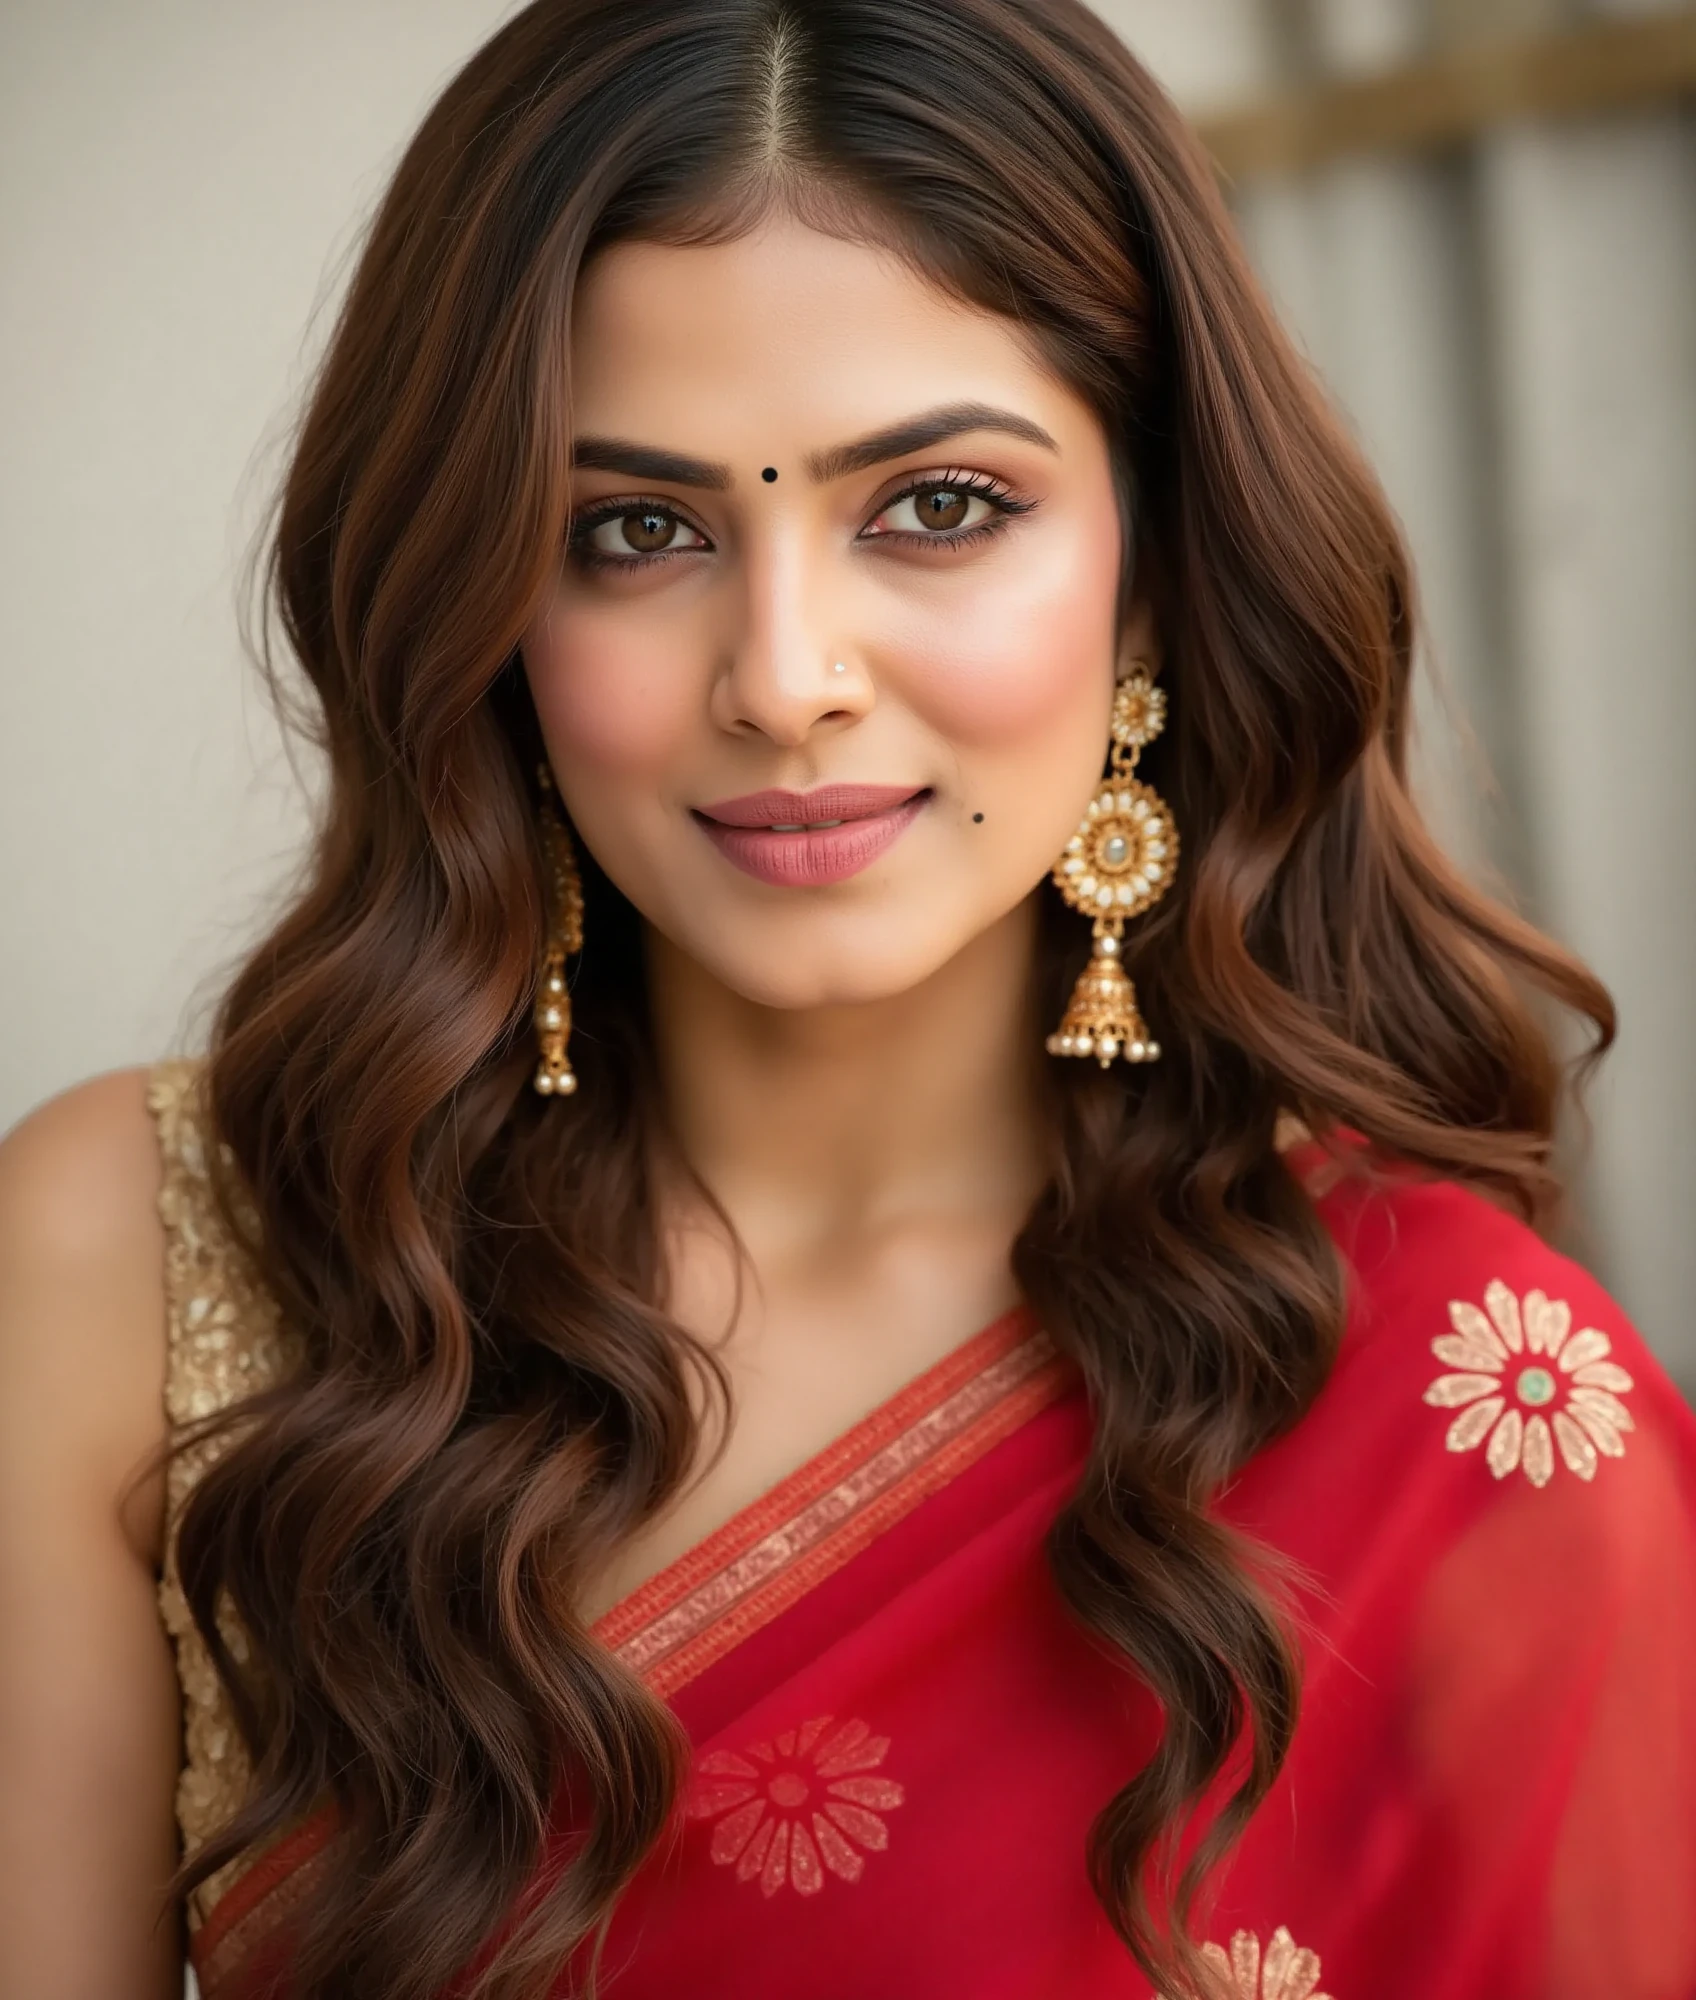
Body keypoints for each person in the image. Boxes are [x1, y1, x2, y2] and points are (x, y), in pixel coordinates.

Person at [2, 1, 1693, 1996]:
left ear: (1154, 569)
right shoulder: (145, 1262)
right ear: (480, 612)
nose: (784, 673)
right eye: (631, 532)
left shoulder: (1461, 1417)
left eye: (939, 508)